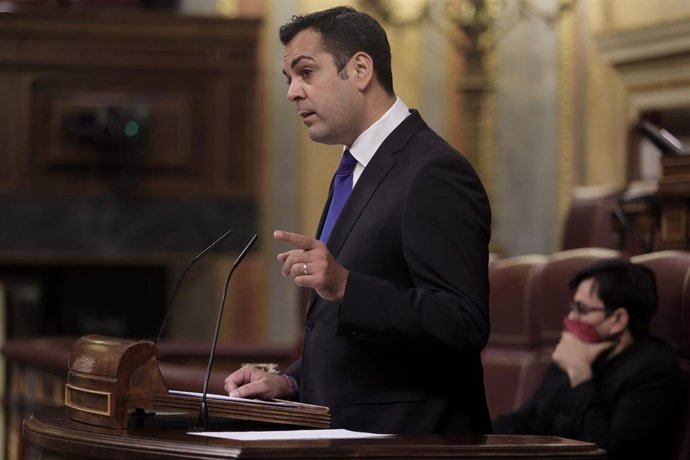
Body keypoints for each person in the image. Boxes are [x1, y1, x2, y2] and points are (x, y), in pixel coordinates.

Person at [224, 6, 492, 435]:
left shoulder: (433, 171)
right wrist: (291, 380)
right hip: (346, 434)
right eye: (289, 79)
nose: (293, 92)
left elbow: (463, 322)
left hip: (413, 442)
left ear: (361, 69)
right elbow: (351, 337)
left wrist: (347, 286)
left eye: (306, 72)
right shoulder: (354, 168)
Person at [493, 259, 686, 459]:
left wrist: (580, 376)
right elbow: (524, 419)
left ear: (618, 319)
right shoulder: (576, 352)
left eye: (581, 310)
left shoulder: (654, 371)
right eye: (572, 307)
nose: (571, 318)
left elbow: (611, 453)